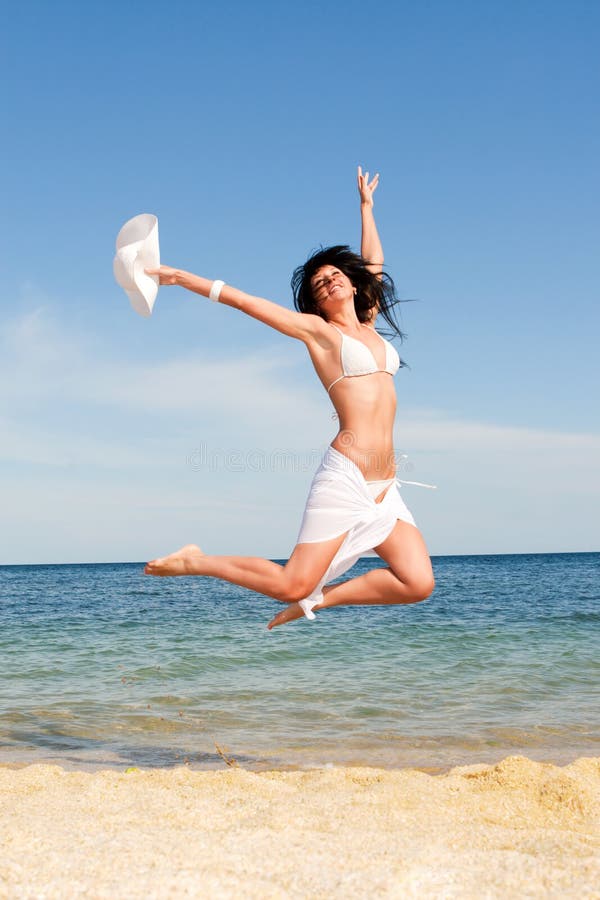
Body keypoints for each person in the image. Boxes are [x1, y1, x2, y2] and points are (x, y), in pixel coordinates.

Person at [144, 167, 435, 628]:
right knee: (291, 583)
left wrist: (366, 208)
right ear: (316, 303)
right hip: (348, 477)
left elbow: (373, 262)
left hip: (385, 489)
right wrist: (181, 277)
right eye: (320, 283)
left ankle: (321, 601)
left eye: (336, 275)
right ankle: (194, 561)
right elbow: (243, 301)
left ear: (354, 284)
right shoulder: (320, 333)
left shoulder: (371, 322)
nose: (330, 281)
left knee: (417, 583)